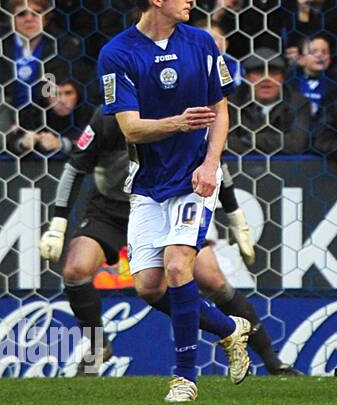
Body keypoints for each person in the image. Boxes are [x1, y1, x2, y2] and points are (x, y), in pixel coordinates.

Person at [38, 104, 299, 375]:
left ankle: (272, 359)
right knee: (75, 270)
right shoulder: (108, 116)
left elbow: (212, 161)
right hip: (111, 208)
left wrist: (236, 217)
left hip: (168, 202)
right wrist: (58, 223)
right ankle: (96, 346)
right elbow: (75, 167)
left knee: (213, 280)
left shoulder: (177, 105)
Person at [95, 0, 252, 403]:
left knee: (180, 265)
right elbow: (130, 128)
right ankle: (227, 328)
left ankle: (185, 377)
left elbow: (221, 110)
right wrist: (177, 122)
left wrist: (211, 163)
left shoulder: (201, 43)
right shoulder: (117, 53)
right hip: (147, 182)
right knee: (148, 285)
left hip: (194, 178)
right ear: (156, 0)